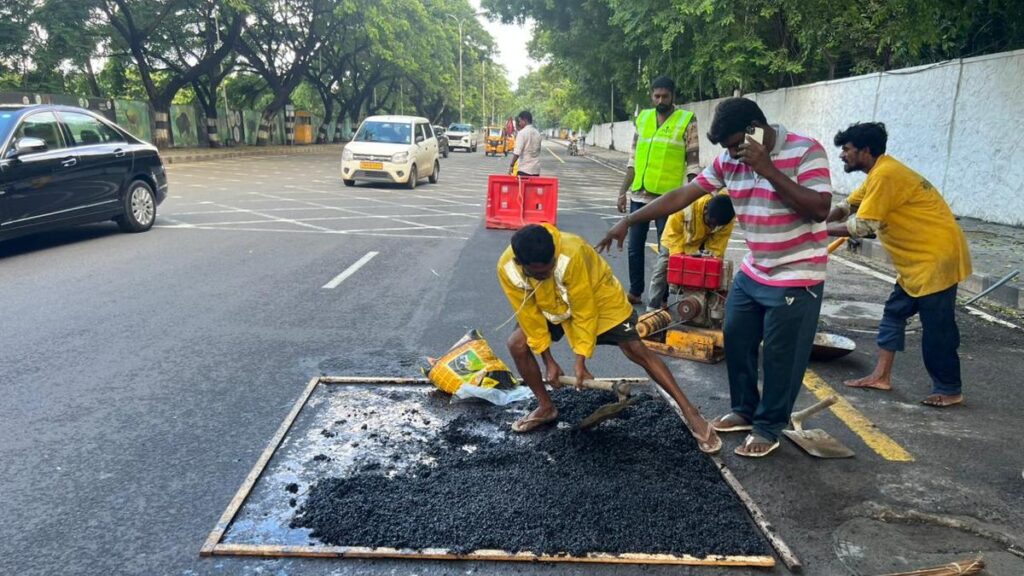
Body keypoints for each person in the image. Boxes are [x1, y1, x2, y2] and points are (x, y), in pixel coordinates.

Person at [597, 97, 833, 458]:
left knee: (782, 356)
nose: (733, 153)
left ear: (757, 127)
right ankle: (743, 410)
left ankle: (768, 426)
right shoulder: (730, 160)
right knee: (736, 336)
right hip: (756, 268)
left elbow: (820, 209)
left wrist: (768, 168)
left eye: (737, 144)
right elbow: (682, 194)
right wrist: (630, 220)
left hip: (797, 272)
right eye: (727, 148)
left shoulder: (806, 151)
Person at [497, 224, 721, 454]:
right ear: (521, 265)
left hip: (598, 297)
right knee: (517, 344)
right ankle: (546, 407)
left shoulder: (571, 253)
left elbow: (584, 311)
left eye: (549, 269)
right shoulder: (507, 268)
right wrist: (548, 361)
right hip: (549, 306)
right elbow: (529, 315)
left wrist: (580, 362)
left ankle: (690, 411)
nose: (546, 274)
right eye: (539, 274)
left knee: (635, 348)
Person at [827, 122, 972, 407]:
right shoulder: (879, 172)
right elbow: (848, 206)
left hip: (935, 260)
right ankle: (881, 376)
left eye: (846, 149)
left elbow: (864, 225)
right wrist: (820, 219)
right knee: (894, 313)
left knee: (937, 329)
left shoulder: (886, 175)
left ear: (865, 150)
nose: (842, 155)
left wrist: (819, 232)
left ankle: (949, 388)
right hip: (915, 263)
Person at [618, 76, 701, 306]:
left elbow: (693, 162)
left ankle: (661, 298)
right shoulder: (643, 118)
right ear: (651, 96)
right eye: (657, 96)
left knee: (666, 251)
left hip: (668, 200)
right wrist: (621, 191)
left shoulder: (687, 120)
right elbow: (632, 159)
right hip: (639, 195)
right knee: (634, 247)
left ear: (673, 96)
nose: (661, 100)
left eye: (665, 96)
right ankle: (635, 291)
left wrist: (693, 198)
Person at [647, 193, 736, 311]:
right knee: (662, 270)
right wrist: (679, 261)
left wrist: (711, 263)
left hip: (697, 242)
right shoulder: (686, 205)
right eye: (711, 223)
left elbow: (717, 247)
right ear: (705, 211)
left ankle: (702, 306)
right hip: (673, 239)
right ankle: (652, 307)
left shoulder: (726, 219)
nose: (713, 227)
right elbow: (674, 234)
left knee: (706, 272)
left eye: (716, 226)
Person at [508, 110, 542, 176]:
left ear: (525, 120)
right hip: (536, 170)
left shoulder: (522, 133)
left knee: (521, 186)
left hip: (524, 170)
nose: (519, 123)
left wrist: (511, 165)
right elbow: (538, 151)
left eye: (520, 121)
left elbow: (517, 152)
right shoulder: (537, 133)